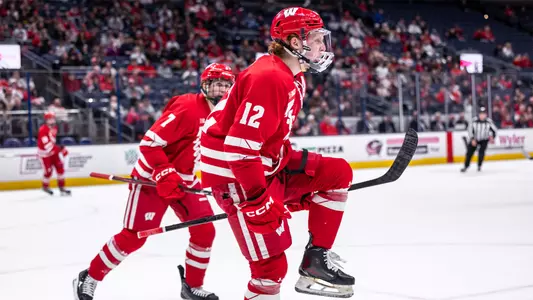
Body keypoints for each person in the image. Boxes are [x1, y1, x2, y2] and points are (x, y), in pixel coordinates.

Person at [199, 7, 354, 299]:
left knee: (337, 173)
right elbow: (238, 147)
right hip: (237, 178)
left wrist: (286, 179)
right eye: (318, 38)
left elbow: (267, 138)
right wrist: (258, 200)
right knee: (270, 270)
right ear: (296, 42)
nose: (323, 46)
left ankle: (315, 262)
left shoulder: (294, 77)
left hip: (262, 164)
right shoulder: (270, 77)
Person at [73, 63, 235, 300]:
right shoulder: (187, 108)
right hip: (151, 177)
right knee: (133, 237)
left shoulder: (224, 116)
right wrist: (164, 173)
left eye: (226, 85)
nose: (222, 91)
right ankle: (90, 277)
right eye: (217, 84)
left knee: (204, 231)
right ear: (205, 86)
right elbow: (149, 143)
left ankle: (191, 285)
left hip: (186, 181)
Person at [37, 111, 70, 196]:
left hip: (54, 152)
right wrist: (60, 149)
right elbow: (47, 146)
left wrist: (59, 149)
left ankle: (62, 187)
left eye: (53, 118)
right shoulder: (43, 130)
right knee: (48, 171)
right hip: (45, 154)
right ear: (46, 120)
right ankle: (45, 186)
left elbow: (53, 141)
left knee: (60, 168)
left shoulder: (55, 127)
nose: (52, 120)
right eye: (50, 119)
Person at [461, 107, 497, 172]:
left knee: (481, 153)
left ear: (486, 114)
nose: (482, 115)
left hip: (484, 139)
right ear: (478, 114)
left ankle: (479, 166)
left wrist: (492, 137)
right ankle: (466, 166)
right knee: (469, 153)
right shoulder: (474, 121)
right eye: (481, 114)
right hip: (475, 139)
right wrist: (472, 139)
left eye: (483, 114)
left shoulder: (489, 121)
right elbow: (470, 130)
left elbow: (494, 130)